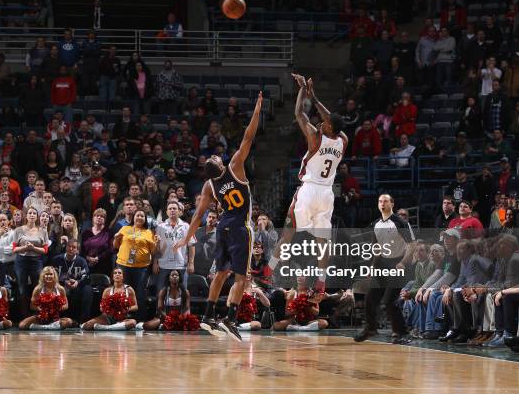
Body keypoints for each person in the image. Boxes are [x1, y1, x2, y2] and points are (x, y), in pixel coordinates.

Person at [173, 92, 263, 342]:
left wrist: (186, 238)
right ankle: (231, 319)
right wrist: (256, 111)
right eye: (214, 157)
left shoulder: (208, 186)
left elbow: (197, 217)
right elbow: (248, 136)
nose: (215, 155)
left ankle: (208, 316)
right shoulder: (234, 166)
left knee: (221, 273)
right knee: (242, 277)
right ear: (220, 166)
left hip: (223, 227)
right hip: (240, 227)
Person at [277, 74, 347, 294]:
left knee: (288, 230)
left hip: (309, 191)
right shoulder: (343, 140)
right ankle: (321, 280)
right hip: (327, 194)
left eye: (324, 122)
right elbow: (332, 119)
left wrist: (302, 91)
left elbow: (299, 113)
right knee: (322, 241)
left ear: (328, 127)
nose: (321, 121)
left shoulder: (316, 137)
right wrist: (314, 97)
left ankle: (269, 270)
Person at [354, 194, 415, 344]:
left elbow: (412, 245)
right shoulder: (376, 224)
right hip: (382, 264)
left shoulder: (399, 222)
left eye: (386, 201)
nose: (382, 204)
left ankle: (401, 332)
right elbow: (376, 248)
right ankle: (370, 328)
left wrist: (403, 262)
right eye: (380, 201)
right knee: (370, 297)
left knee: (389, 301)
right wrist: (372, 268)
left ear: (392, 204)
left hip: (397, 263)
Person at [113, 209, 159, 320]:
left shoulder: (149, 232)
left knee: (139, 294)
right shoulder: (125, 228)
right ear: (133, 217)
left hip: (141, 268)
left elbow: (153, 251)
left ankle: (140, 320)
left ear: (145, 219)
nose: (139, 217)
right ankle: (120, 318)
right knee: (123, 292)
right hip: (123, 265)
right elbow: (115, 246)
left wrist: (156, 243)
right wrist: (116, 238)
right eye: (138, 215)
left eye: (142, 216)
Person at [12, 207, 50, 318]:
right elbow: (14, 249)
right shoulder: (18, 230)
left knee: (37, 287)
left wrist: (33, 248)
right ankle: (25, 315)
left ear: (37, 216)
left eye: (34, 213)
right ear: (26, 215)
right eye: (30, 213)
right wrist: (25, 247)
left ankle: (38, 313)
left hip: (36, 260)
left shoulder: (43, 231)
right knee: (22, 288)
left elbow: (45, 250)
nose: (32, 215)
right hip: (21, 261)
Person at [153, 201, 193, 294]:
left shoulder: (186, 226)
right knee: (161, 293)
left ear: (179, 211)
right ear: (166, 212)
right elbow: (157, 246)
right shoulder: (160, 227)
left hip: (181, 265)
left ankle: (183, 309)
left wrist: (191, 263)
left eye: (174, 208)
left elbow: (191, 246)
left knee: (182, 294)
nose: (172, 210)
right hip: (164, 265)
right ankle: (160, 309)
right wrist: (155, 262)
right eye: (170, 209)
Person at [51, 239, 92, 324]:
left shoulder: (81, 261)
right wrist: (64, 281)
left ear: (77, 250)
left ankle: (84, 321)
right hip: (60, 285)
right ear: (66, 247)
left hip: (76, 286)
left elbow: (86, 276)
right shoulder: (57, 259)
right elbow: (51, 274)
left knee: (88, 289)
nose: (71, 249)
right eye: (69, 246)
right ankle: (53, 318)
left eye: (74, 247)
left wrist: (77, 282)